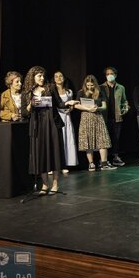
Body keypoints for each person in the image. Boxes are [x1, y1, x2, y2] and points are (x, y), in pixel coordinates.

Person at [21, 66, 78, 194]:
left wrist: (68, 103)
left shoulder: (50, 88)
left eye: (43, 76)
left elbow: (59, 103)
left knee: (54, 153)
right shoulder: (27, 93)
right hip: (38, 126)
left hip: (52, 124)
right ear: (32, 77)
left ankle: (55, 184)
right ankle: (45, 184)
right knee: (40, 154)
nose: (42, 78)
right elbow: (24, 112)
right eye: (39, 76)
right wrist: (31, 104)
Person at [75, 75, 116, 171]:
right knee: (88, 140)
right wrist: (87, 108)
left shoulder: (100, 92)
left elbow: (104, 106)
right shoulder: (81, 92)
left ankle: (104, 164)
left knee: (103, 139)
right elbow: (76, 105)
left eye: (92, 85)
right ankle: (91, 164)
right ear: (85, 84)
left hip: (98, 117)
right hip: (86, 118)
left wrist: (98, 108)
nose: (90, 87)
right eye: (88, 85)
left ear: (95, 84)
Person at [100, 67, 129, 166]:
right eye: (107, 74)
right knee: (104, 139)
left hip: (117, 117)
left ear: (115, 75)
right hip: (104, 118)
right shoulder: (101, 87)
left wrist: (125, 108)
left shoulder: (121, 87)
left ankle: (115, 157)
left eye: (111, 73)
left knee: (116, 138)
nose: (109, 75)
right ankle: (104, 159)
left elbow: (124, 101)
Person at [54, 71, 77, 172]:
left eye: (60, 76)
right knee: (58, 139)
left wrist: (71, 109)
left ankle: (65, 164)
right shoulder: (52, 90)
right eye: (56, 76)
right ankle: (55, 165)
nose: (59, 78)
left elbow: (72, 104)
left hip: (67, 116)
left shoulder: (69, 91)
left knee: (67, 139)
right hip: (57, 116)